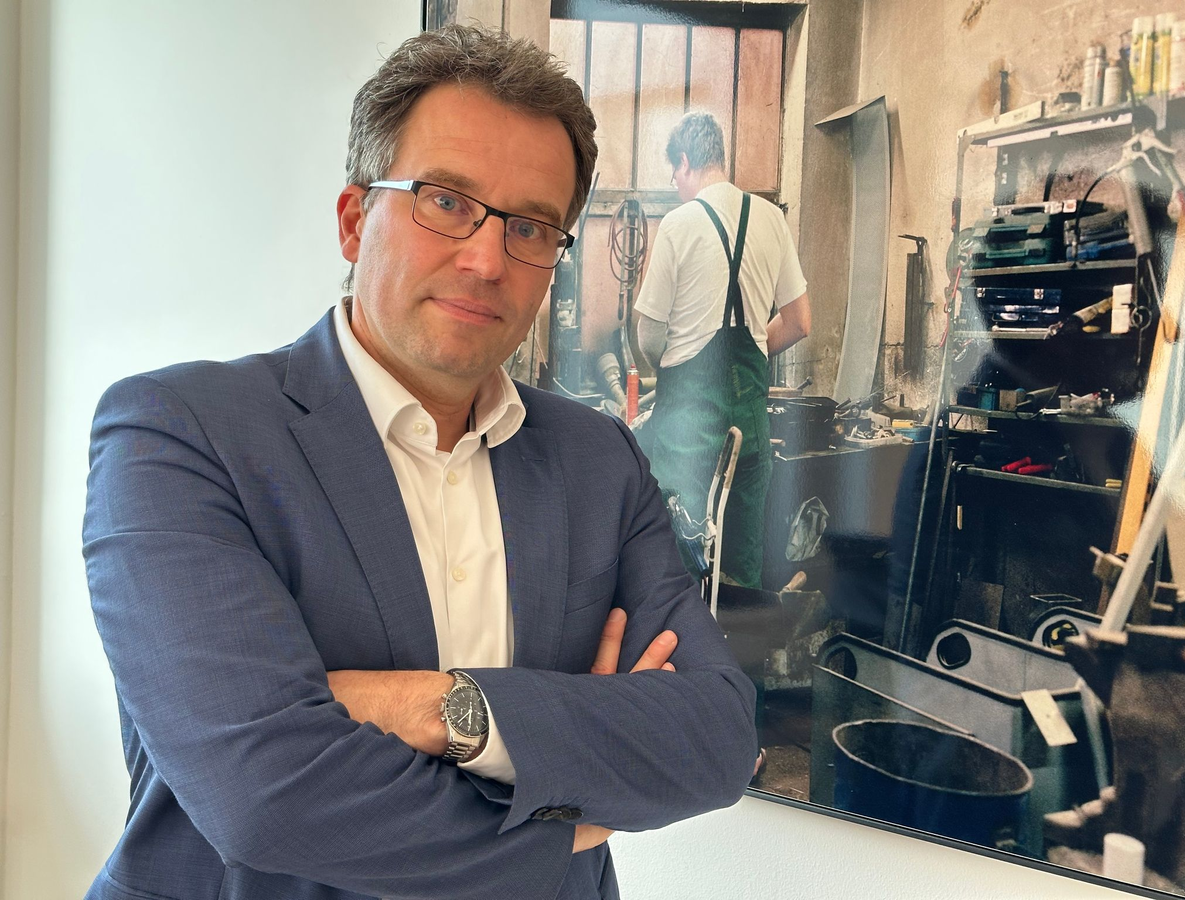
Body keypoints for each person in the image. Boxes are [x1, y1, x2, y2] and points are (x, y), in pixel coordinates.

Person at [83, 26, 758, 900]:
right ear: (354, 220)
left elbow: (717, 739)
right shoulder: (178, 435)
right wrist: (567, 810)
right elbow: (267, 797)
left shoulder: (599, 461)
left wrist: (440, 709)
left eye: (530, 226)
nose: (486, 259)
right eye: (444, 200)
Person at [634, 112, 811, 590]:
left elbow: (648, 334)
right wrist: (752, 351)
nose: (675, 184)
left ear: (685, 161)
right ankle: (739, 636)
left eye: (674, 172)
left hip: (687, 430)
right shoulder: (772, 219)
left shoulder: (677, 224)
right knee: (739, 566)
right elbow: (799, 322)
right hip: (750, 425)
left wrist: (670, 371)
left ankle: (683, 639)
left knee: (678, 564)